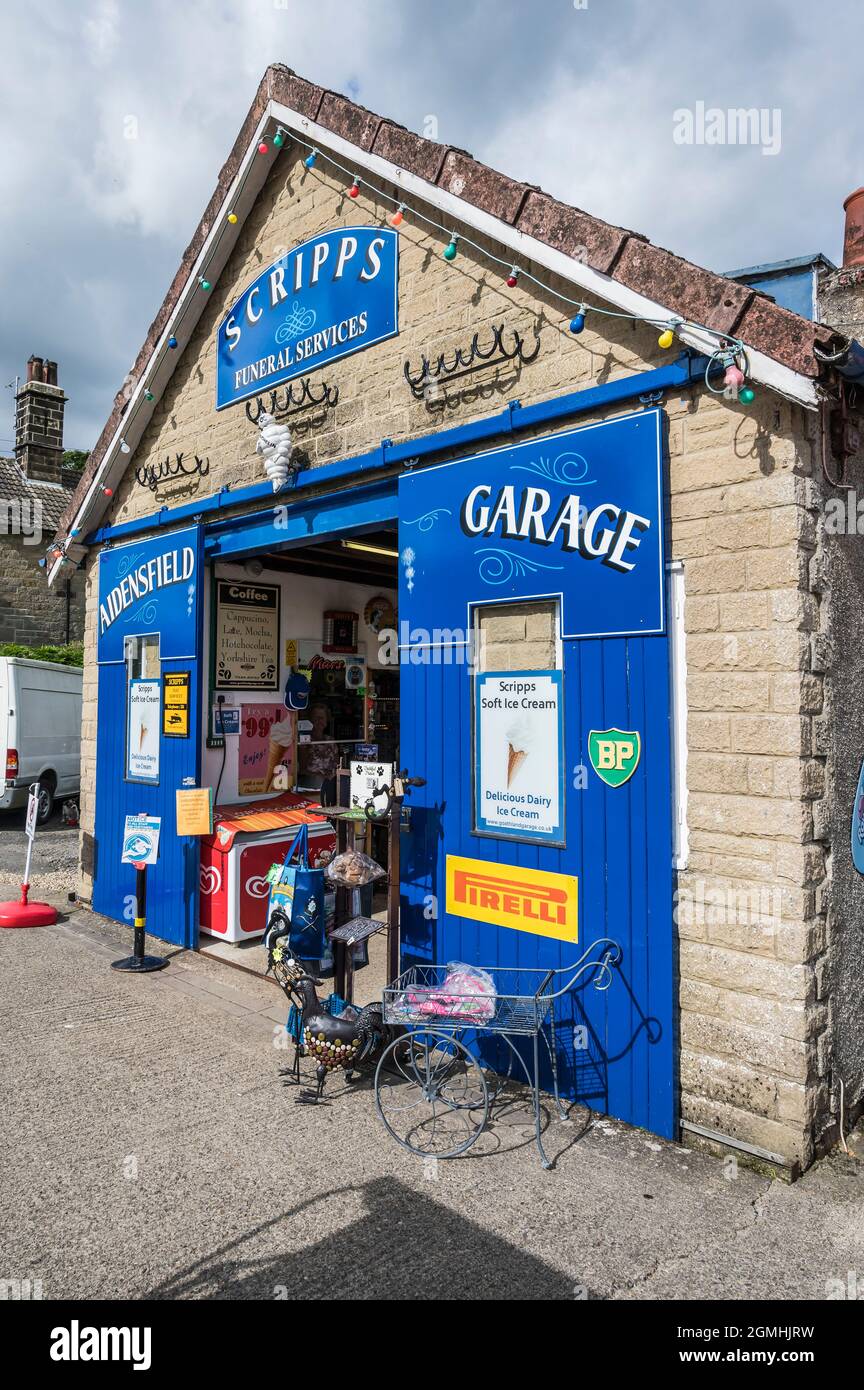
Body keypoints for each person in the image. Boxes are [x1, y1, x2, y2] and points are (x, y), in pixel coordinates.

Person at [298, 702, 339, 805]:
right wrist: (321, 776)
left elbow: (338, 765)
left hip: (331, 788)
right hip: (311, 787)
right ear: (310, 720)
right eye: (316, 718)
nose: (319, 721)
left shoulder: (331, 741)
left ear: (326, 721)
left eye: (322, 718)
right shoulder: (304, 741)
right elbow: (302, 769)